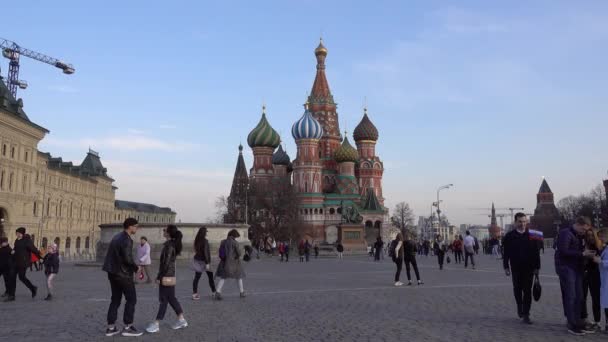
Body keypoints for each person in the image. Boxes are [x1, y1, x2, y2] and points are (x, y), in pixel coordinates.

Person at [102, 218, 143, 337]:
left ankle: (111, 328)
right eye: (136, 226)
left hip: (112, 273)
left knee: (115, 299)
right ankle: (128, 327)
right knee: (131, 299)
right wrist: (137, 268)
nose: (137, 228)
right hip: (123, 274)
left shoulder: (116, 237)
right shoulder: (126, 239)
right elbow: (128, 258)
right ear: (130, 226)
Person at [555, 216, 595, 336]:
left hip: (576, 268)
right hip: (566, 267)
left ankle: (578, 321)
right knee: (571, 296)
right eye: (583, 229)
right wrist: (582, 253)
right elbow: (563, 251)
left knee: (579, 296)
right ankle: (571, 324)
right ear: (577, 224)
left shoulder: (578, 235)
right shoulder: (565, 233)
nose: (584, 232)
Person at [145, 225, 188, 333]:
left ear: (168, 233)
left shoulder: (169, 246)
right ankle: (181, 319)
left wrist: (159, 277)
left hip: (166, 275)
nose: (163, 231)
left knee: (164, 299)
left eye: (165, 230)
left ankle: (156, 323)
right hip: (170, 274)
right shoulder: (171, 245)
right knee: (171, 298)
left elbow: (166, 263)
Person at [502, 213, 541, 324]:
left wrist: (537, 267)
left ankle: (526, 314)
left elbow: (536, 252)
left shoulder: (532, 234)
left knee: (527, 291)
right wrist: (506, 266)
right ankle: (520, 305)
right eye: (520, 221)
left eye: (524, 221)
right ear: (515, 222)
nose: (522, 224)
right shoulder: (509, 236)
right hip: (515, 267)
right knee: (517, 289)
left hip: (529, 268)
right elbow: (506, 253)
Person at [215, 229, 246, 300]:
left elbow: (221, 252)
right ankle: (242, 292)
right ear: (234, 236)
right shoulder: (235, 243)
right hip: (234, 263)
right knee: (239, 277)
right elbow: (239, 253)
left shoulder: (223, 242)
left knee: (223, 277)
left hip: (224, 261)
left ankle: (218, 292)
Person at [12, 227, 41, 299]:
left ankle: (33, 288)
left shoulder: (27, 241)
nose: (17, 234)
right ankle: (11, 294)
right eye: (16, 233)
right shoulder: (17, 240)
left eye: (18, 233)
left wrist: (40, 257)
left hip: (23, 262)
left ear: (22, 233)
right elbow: (15, 249)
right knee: (12, 277)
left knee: (21, 277)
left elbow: (34, 249)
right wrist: (13, 251)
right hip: (15, 261)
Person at [581, 228, 601, 330]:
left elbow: (600, 261)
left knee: (596, 298)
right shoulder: (583, 246)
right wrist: (584, 255)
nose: (590, 237)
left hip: (595, 275)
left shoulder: (599, 247)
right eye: (588, 235)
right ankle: (584, 319)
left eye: (592, 235)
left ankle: (597, 321)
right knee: (582, 297)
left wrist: (595, 258)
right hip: (584, 274)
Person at [192, 226, 216, 300]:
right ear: (204, 233)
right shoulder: (205, 241)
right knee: (210, 277)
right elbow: (206, 252)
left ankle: (194, 294)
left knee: (197, 278)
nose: (206, 233)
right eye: (206, 232)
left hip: (197, 260)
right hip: (204, 261)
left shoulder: (196, 240)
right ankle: (214, 292)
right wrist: (207, 263)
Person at [593, 228, 608, 333]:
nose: (600, 239)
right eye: (599, 237)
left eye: (602, 236)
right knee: (606, 303)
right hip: (604, 278)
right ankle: (607, 324)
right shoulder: (604, 247)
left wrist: (601, 261)